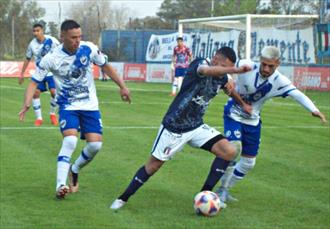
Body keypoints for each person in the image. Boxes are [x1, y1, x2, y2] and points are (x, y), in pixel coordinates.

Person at [110, 47, 252, 210]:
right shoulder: (200, 65)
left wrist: (242, 104)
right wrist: (234, 71)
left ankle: (204, 196)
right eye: (223, 66)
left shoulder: (222, 76)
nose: (223, 72)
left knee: (229, 151)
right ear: (215, 59)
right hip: (174, 127)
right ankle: (123, 198)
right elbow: (207, 70)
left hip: (196, 126)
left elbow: (230, 89)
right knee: (153, 165)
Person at [18, 20, 131, 199]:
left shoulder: (89, 48)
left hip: (90, 106)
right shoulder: (52, 58)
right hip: (68, 105)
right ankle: (60, 185)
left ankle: (75, 168)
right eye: (73, 37)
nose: (77, 41)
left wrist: (122, 86)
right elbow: (33, 82)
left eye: (79, 36)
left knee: (95, 145)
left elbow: (106, 66)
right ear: (62, 37)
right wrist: (26, 103)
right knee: (70, 141)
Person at [216, 46, 327, 203]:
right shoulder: (246, 66)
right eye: (264, 64)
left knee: (248, 163)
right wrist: (228, 79)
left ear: (278, 64)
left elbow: (297, 94)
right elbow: (225, 65)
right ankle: (220, 191)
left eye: (271, 66)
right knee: (234, 148)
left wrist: (314, 109)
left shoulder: (280, 81)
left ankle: (225, 189)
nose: (266, 69)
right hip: (233, 114)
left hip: (253, 121)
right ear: (260, 61)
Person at [19, 22, 60, 126]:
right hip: (40, 72)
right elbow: (28, 58)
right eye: (34, 31)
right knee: (36, 93)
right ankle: (39, 118)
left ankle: (52, 114)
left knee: (54, 92)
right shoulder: (32, 44)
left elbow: (61, 51)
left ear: (42, 31)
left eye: (38, 31)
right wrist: (22, 74)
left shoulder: (52, 40)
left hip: (51, 71)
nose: (36, 33)